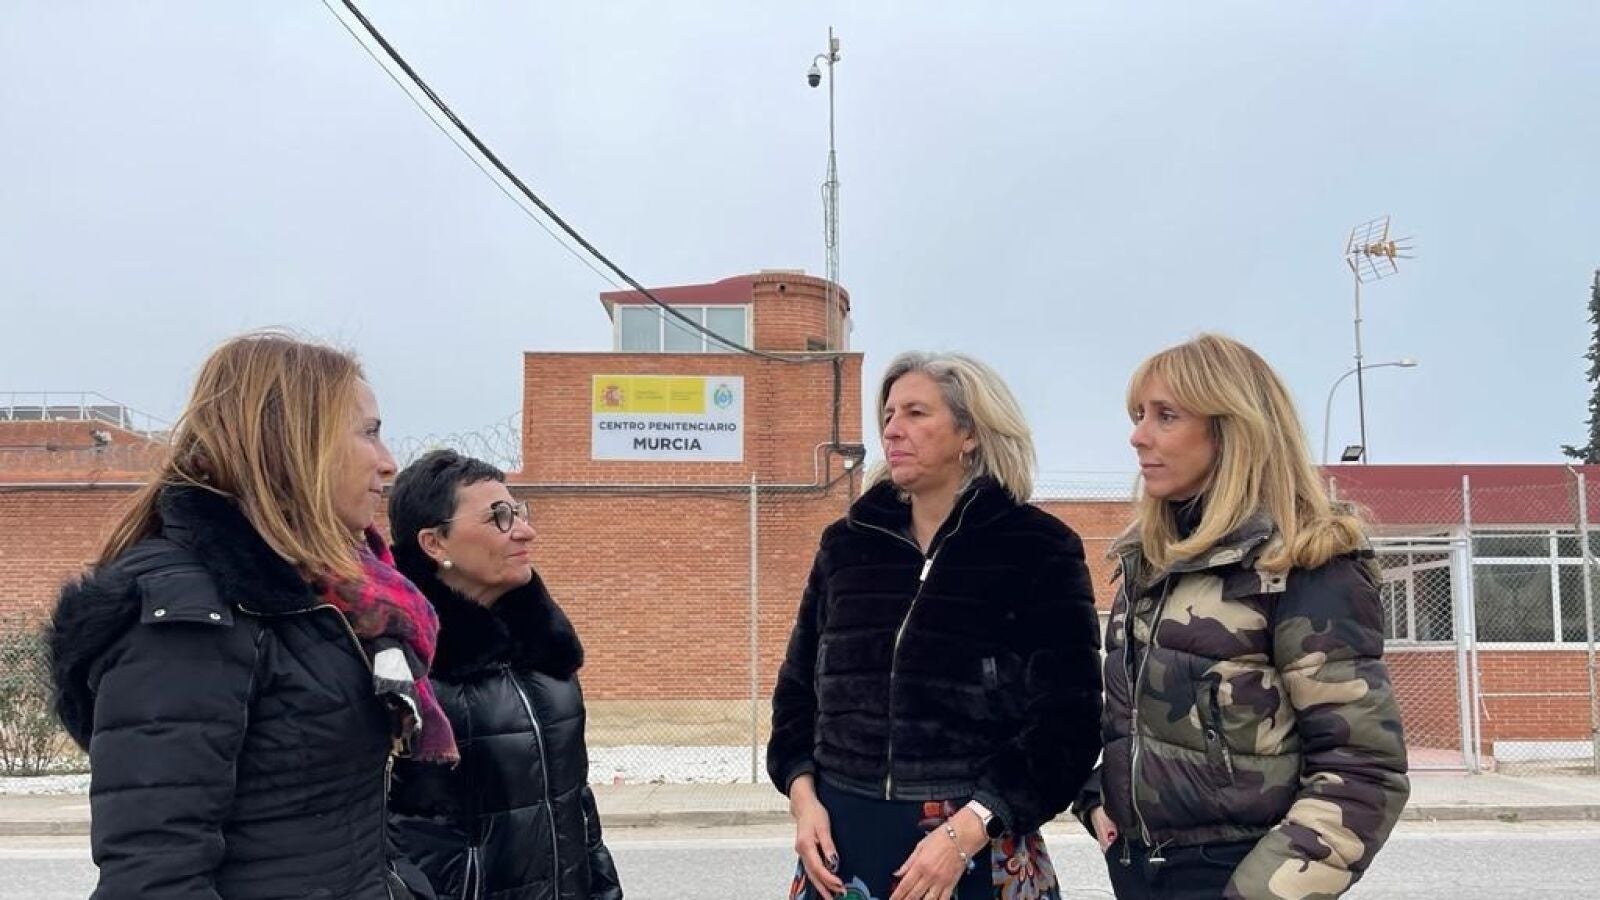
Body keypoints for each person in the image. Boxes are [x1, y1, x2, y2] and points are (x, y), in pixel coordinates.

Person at [48, 332, 453, 900]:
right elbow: (156, 878)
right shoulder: (189, 614)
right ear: (295, 441)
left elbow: (329, 822)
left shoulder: (321, 595)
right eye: (369, 432)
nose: (388, 463)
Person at [1073, 333, 1410, 899]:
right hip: (1138, 870)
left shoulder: (1304, 563)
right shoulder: (1149, 562)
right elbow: (1128, 718)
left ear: (1233, 429)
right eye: (1138, 415)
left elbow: (1362, 773)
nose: (1138, 436)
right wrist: (1095, 796)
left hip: (1241, 872)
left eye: (1165, 416)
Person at [768, 352, 1104, 900]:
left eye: (916, 413)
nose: (892, 429)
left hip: (976, 839)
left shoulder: (1038, 548)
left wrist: (968, 829)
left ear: (969, 432)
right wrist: (803, 801)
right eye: (888, 415)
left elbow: (1069, 723)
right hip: (842, 838)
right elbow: (796, 694)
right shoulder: (846, 546)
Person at [386, 449, 623, 900]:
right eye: (499, 517)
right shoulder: (399, 665)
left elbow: (577, 808)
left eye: (518, 512)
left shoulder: (546, 655)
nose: (525, 531)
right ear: (435, 543)